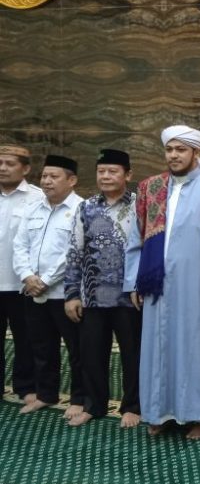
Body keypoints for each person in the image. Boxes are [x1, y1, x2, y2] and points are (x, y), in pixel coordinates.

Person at [124, 125, 200, 439]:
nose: (174, 155)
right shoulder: (151, 188)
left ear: (196, 152)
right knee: (158, 347)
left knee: (198, 347)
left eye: (181, 149)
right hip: (156, 285)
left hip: (198, 285)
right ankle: (159, 412)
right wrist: (134, 281)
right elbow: (136, 237)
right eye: (169, 149)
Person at [64, 148, 142, 428]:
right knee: (92, 354)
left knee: (133, 355)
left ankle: (133, 406)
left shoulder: (140, 205)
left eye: (112, 171)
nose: (106, 176)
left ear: (127, 175)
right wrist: (72, 294)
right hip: (93, 296)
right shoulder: (86, 207)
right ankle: (93, 405)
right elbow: (75, 251)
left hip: (130, 297)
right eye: (101, 171)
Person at [13, 155, 84, 419]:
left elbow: (75, 251)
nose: (47, 181)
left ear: (72, 180)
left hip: (65, 293)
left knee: (76, 349)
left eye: (54, 176)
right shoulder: (33, 208)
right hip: (32, 291)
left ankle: (79, 398)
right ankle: (46, 394)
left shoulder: (81, 209)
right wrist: (27, 276)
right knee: (41, 346)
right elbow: (20, 245)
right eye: (44, 176)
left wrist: (45, 280)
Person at [0, 145, 42, 404]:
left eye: (9, 163)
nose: (3, 168)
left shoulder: (37, 198)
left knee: (26, 338)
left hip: (22, 283)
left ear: (25, 169)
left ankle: (26, 387)